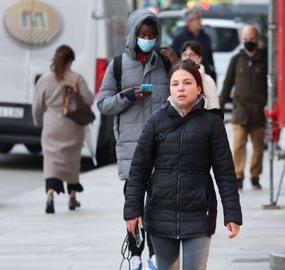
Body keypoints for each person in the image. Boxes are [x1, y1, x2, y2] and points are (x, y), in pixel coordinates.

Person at [124, 60, 242, 270]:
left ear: (198, 87)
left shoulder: (212, 123)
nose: (181, 88)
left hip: (199, 213)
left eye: (187, 83)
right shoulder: (156, 121)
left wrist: (232, 213)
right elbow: (138, 170)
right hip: (161, 213)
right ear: (169, 88)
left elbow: (225, 172)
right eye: (175, 83)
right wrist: (132, 211)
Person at [97, 9, 177, 270]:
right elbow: (103, 104)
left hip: (162, 146)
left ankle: (156, 255)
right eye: (143, 34)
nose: (148, 38)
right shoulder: (118, 65)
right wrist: (128, 96)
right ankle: (134, 255)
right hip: (131, 148)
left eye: (152, 34)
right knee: (134, 204)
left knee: (158, 204)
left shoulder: (164, 63)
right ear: (133, 34)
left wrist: (176, 65)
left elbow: (181, 97)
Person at [32, 45, 94, 214]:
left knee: (51, 161)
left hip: (52, 125)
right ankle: (72, 197)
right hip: (73, 126)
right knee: (72, 161)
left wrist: (38, 123)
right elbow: (89, 99)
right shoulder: (76, 78)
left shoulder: (44, 79)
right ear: (69, 61)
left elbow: (37, 106)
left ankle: (50, 193)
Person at [219, 25, 267, 190]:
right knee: (239, 143)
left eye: (251, 39)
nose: (248, 42)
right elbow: (227, 84)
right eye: (245, 39)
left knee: (258, 146)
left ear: (257, 39)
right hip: (240, 110)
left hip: (258, 111)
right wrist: (219, 106)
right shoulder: (236, 60)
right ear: (242, 40)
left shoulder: (264, 58)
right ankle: (238, 175)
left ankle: (255, 176)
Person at [171, 7, 217, 82]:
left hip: (205, 78)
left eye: (200, 18)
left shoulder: (206, 38)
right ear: (189, 21)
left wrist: (213, 78)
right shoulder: (179, 39)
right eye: (197, 18)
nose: (200, 21)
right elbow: (174, 62)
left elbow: (210, 61)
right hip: (186, 79)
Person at [180, 41, 220, 111]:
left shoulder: (208, 80)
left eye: (191, 55)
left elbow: (214, 107)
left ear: (199, 58)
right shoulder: (176, 77)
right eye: (184, 54)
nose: (187, 58)